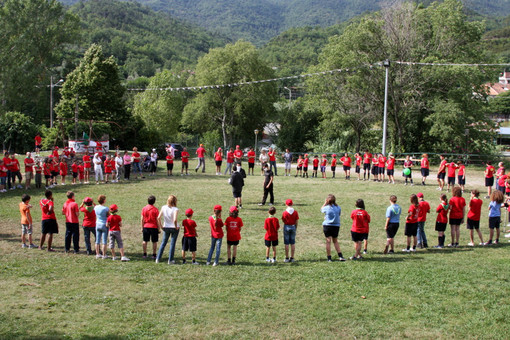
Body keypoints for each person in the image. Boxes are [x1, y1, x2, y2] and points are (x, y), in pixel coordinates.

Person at [321, 194, 345, 262]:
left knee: (328, 241)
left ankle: (329, 257)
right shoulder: (338, 207)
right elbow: (339, 214)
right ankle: (340, 256)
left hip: (327, 225)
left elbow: (321, 209)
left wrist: (325, 203)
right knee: (335, 241)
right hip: (336, 226)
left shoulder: (326, 207)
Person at [156, 195, 179, 264]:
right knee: (172, 243)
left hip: (166, 227)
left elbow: (158, 218)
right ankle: (170, 260)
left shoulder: (163, 207)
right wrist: (175, 226)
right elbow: (175, 219)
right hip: (173, 228)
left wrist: (161, 226)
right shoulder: (175, 209)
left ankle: (158, 258)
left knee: (163, 243)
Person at [141, 195, 160, 259]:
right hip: (154, 227)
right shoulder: (155, 209)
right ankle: (154, 254)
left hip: (146, 226)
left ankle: (144, 254)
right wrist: (159, 228)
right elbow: (157, 219)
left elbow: (142, 219)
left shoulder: (144, 208)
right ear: (154, 202)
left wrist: (142, 227)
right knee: (154, 241)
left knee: (145, 240)